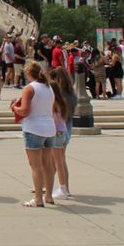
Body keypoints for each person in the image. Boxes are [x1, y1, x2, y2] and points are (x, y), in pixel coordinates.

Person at [10, 61, 57, 207]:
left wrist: (14, 107)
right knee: (48, 164)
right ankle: (48, 196)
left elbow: (24, 110)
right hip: (49, 128)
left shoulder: (29, 88)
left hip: (34, 128)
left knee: (35, 166)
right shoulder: (48, 87)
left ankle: (38, 198)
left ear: (29, 74)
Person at [48, 65, 77, 199]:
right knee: (61, 159)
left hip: (59, 127)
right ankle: (63, 187)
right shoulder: (72, 92)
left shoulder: (58, 95)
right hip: (68, 125)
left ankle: (62, 187)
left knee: (58, 160)